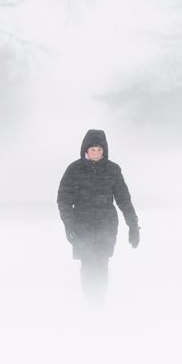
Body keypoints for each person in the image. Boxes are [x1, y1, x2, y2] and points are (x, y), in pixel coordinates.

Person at [57, 129, 140, 302]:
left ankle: (99, 301)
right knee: (87, 264)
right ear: (85, 150)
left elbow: (124, 200)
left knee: (102, 263)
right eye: (92, 150)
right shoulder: (74, 170)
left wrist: (133, 225)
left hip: (106, 226)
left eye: (99, 150)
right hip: (81, 225)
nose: (96, 153)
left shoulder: (113, 170)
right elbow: (64, 200)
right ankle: (90, 302)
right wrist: (69, 224)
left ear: (104, 150)